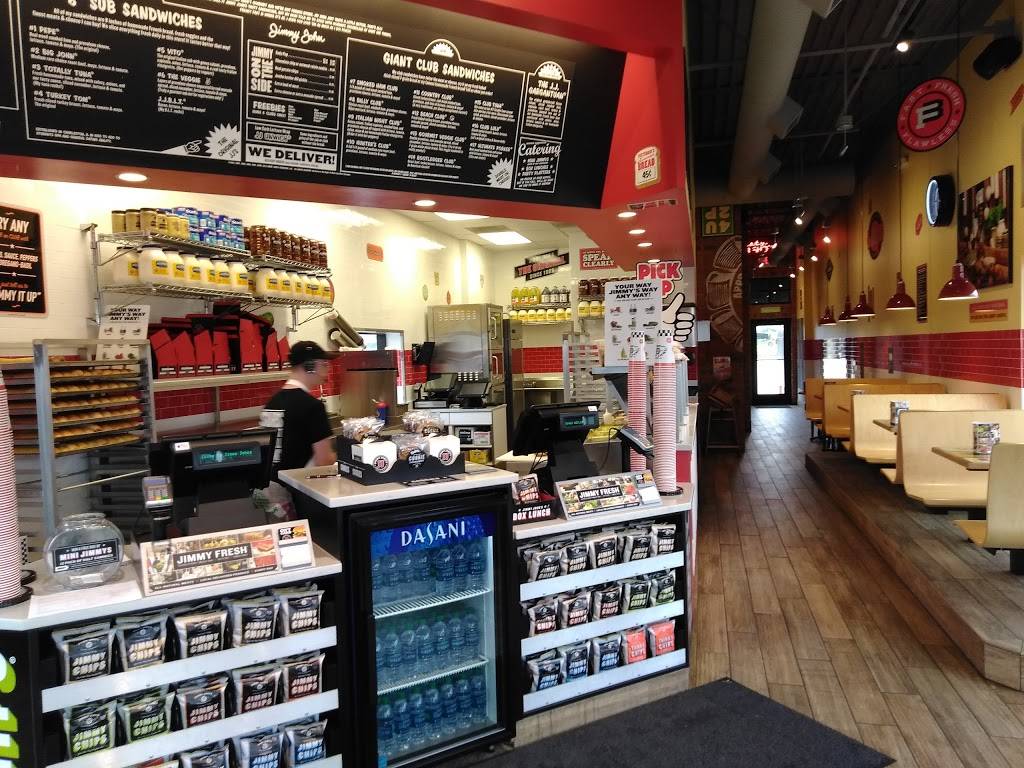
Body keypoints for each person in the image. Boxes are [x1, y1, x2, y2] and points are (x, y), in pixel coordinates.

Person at [260, 340, 337, 473]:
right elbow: (323, 461)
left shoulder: (272, 402)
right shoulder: (312, 406)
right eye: (324, 365)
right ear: (310, 366)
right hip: (296, 483)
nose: (327, 370)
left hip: (271, 482)